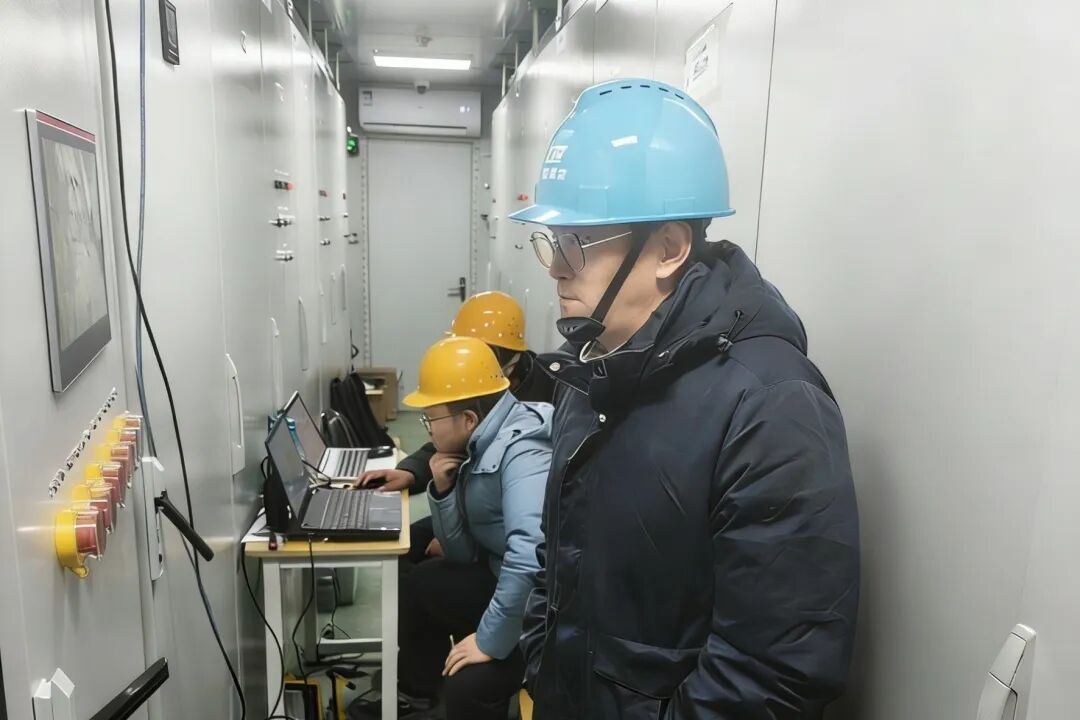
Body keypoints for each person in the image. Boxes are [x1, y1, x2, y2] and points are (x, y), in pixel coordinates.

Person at [507, 78, 861, 718]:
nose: (555, 267)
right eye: (551, 243)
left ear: (668, 249)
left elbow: (774, 673)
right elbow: (556, 555)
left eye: (576, 244)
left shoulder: (771, 406)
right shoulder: (593, 365)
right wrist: (540, 662)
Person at [356, 336, 551, 720]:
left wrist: (489, 641)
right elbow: (461, 552)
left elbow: (531, 557)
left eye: (430, 418)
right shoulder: (475, 444)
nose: (427, 430)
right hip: (502, 574)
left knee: (468, 686)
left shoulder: (524, 452)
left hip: (546, 605)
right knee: (423, 582)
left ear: (469, 420)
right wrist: (444, 490)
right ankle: (417, 691)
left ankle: (455, 681)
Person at [355, 291, 555, 564]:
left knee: (425, 572)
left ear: (498, 357)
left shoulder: (546, 401)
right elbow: (454, 438)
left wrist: (466, 538)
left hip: (503, 527)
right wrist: (410, 472)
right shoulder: (486, 384)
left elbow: (528, 532)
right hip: (472, 508)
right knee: (405, 547)